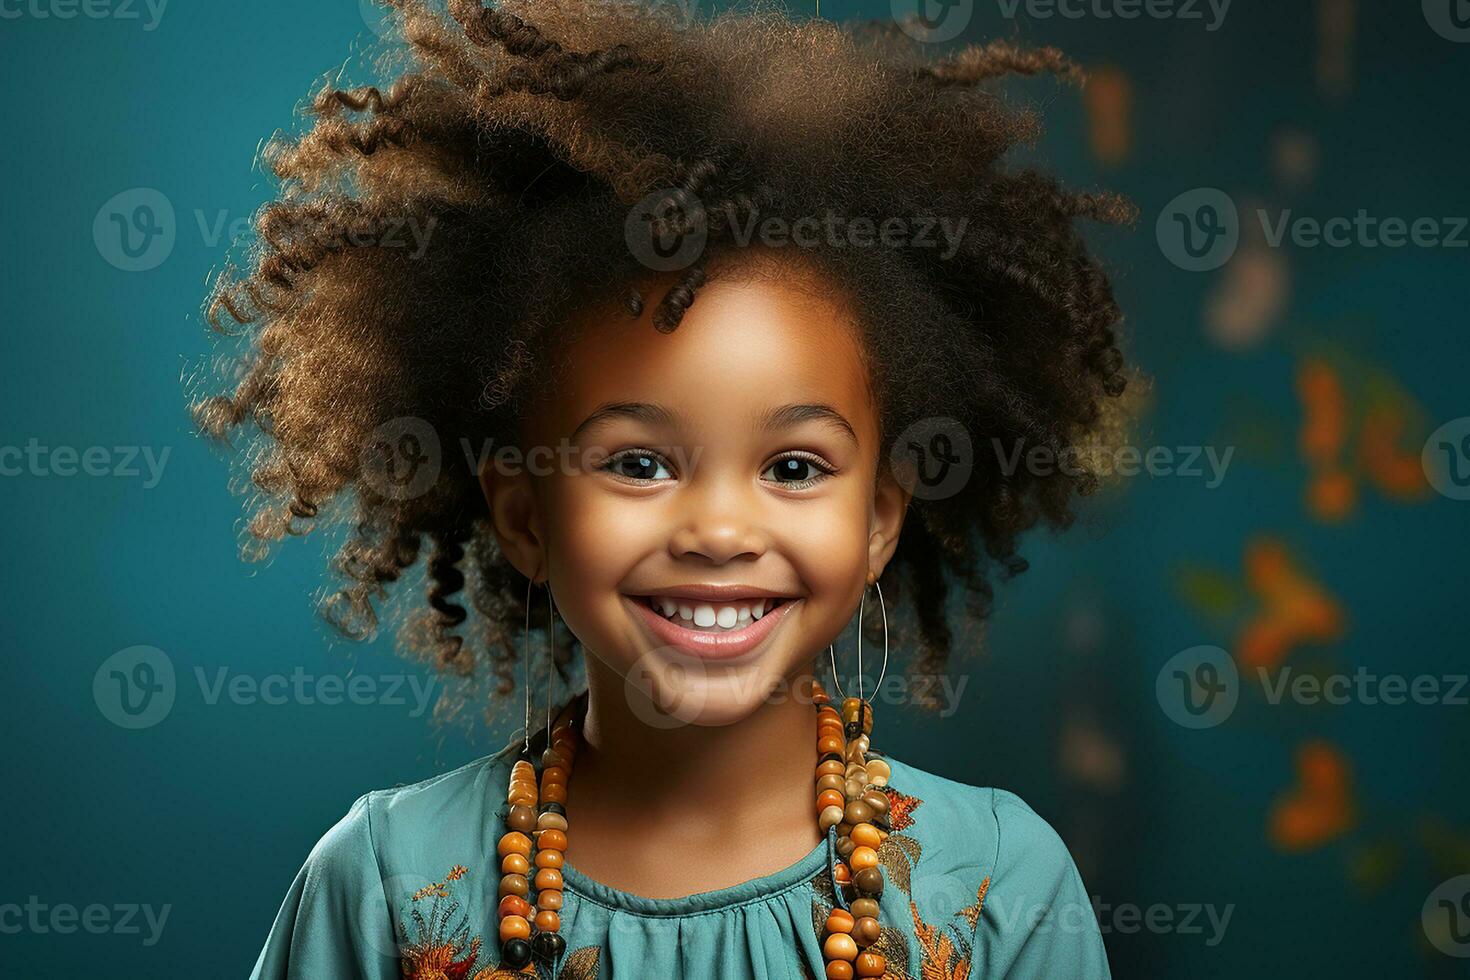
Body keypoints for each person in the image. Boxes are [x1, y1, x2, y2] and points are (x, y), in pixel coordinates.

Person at [195, 1, 1133, 976]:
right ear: (525, 515)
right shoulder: (385, 885)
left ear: (880, 520)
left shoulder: (996, 888)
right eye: (638, 462)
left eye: (794, 466)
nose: (720, 528)